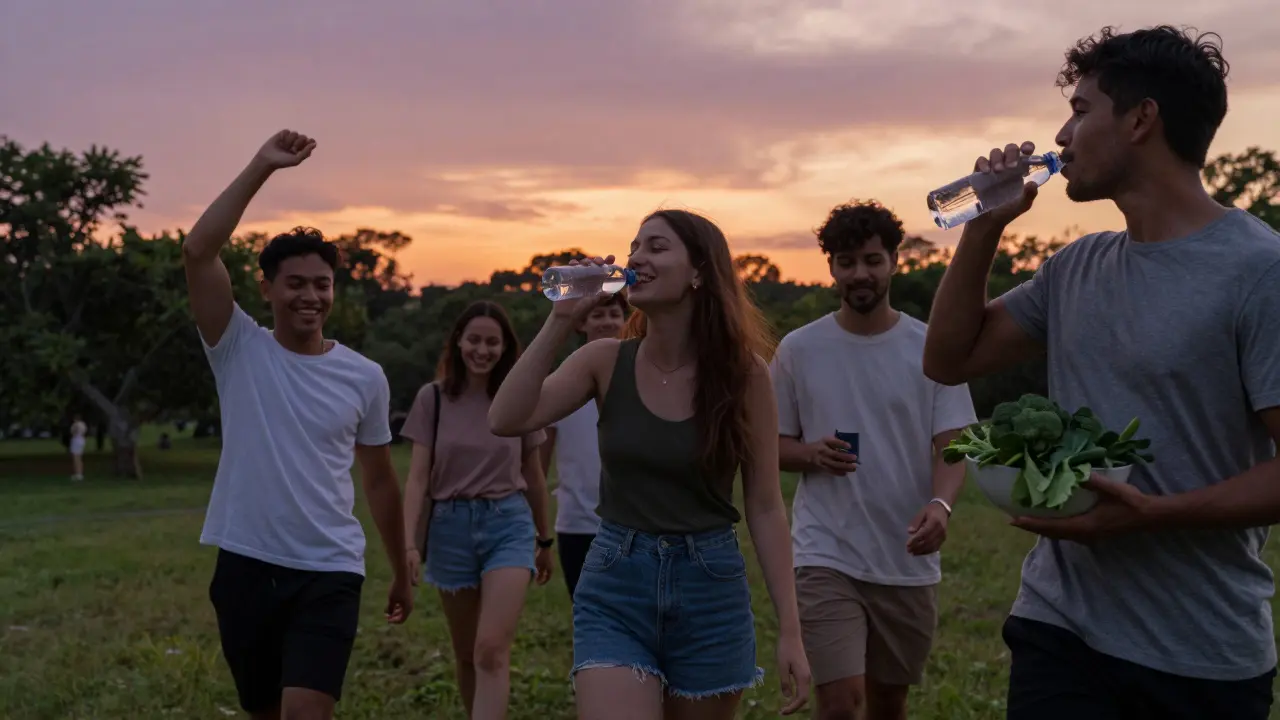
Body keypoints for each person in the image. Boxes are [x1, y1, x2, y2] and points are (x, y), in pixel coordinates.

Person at [922, 25, 1280, 720]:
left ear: (1141, 119)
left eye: (1081, 111)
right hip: (1059, 629)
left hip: (1200, 653)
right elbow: (948, 359)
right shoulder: (1076, 268)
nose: (1061, 135)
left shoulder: (1258, 272)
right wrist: (984, 227)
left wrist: (1154, 517)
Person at [489, 209, 812, 719]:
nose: (637, 258)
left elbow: (767, 506)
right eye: (634, 247)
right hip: (617, 580)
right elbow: (506, 418)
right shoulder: (603, 360)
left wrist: (790, 631)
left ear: (699, 271)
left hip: (710, 588)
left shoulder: (744, 376)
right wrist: (560, 320)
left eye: (657, 248)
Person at [182, 130, 413, 720]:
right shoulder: (237, 347)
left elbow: (380, 480)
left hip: (330, 569)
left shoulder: (364, 377)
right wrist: (262, 165)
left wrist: (401, 565)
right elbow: (198, 251)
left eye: (321, 284)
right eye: (296, 283)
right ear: (266, 288)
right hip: (246, 565)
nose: (310, 296)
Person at [771, 200, 976, 719]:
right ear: (831, 268)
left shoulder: (929, 347)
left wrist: (941, 505)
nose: (859, 273)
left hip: (905, 558)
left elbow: (953, 445)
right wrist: (810, 453)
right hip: (826, 552)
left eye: (871, 260)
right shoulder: (799, 350)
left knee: (889, 704)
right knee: (841, 703)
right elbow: (770, 445)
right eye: (846, 262)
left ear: (893, 262)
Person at [400, 299, 555, 719]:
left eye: (492, 342)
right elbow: (417, 478)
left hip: (508, 523)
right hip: (449, 529)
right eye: (474, 340)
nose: (482, 350)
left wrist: (545, 540)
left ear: (505, 348)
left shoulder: (518, 400)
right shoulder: (433, 399)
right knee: (468, 653)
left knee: (490, 649)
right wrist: (408, 544)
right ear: (458, 342)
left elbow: (534, 475)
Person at [538, 290, 628, 601]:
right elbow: (539, 464)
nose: (607, 322)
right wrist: (539, 532)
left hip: (633, 525)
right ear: (581, 323)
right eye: (598, 315)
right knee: (587, 612)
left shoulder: (643, 378)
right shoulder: (562, 384)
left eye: (614, 314)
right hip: (577, 524)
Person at [68, 415, 87, 481]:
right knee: (79, 458)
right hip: (81, 440)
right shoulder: (83, 424)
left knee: (76, 458)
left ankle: (78, 473)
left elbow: (73, 432)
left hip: (76, 440)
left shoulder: (75, 425)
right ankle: (80, 473)